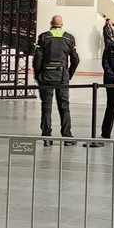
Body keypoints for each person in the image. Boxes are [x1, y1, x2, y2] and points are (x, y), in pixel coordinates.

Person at [33, 15, 79, 145]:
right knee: (64, 106)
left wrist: (38, 75)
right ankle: (67, 137)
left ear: (50, 23)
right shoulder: (69, 38)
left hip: (46, 75)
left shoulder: (43, 37)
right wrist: (68, 74)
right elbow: (75, 59)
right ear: (62, 24)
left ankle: (46, 137)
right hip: (62, 75)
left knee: (46, 106)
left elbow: (37, 58)